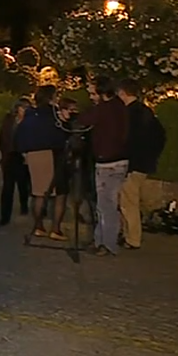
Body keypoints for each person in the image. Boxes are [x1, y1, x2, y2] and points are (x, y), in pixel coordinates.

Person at [76, 76, 130, 256]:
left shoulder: (104, 109)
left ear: (101, 92)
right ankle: (101, 241)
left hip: (107, 163)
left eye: (92, 93)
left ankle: (106, 244)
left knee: (106, 206)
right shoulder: (119, 106)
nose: (91, 96)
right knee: (106, 205)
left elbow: (84, 120)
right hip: (120, 161)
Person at [117, 78, 166, 250]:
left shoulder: (128, 114)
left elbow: (126, 140)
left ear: (122, 93)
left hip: (132, 164)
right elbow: (160, 136)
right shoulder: (146, 112)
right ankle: (126, 234)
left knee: (128, 202)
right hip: (143, 163)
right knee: (129, 200)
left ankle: (132, 238)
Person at [15, 85, 70, 240]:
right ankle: (56, 229)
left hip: (33, 155)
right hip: (52, 154)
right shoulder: (53, 115)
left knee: (39, 193)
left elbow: (19, 136)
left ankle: (39, 226)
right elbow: (62, 134)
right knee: (60, 194)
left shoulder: (30, 115)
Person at [0, 98, 32, 226]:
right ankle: (5, 216)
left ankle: (24, 205)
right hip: (10, 155)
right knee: (7, 187)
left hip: (23, 156)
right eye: (23, 107)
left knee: (23, 185)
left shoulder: (30, 122)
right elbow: (3, 137)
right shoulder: (9, 120)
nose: (24, 110)